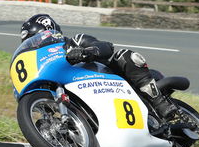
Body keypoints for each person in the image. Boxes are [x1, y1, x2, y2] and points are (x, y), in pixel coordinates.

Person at [20, 13, 178, 120]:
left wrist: (86, 52)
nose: (36, 43)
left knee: (125, 56)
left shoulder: (75, 41)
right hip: (89, 94)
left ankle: (159, 102)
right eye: (31, 41)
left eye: (36, 38)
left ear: (50, 31)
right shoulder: (48, 67)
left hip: (111, 79)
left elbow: (106, 47)